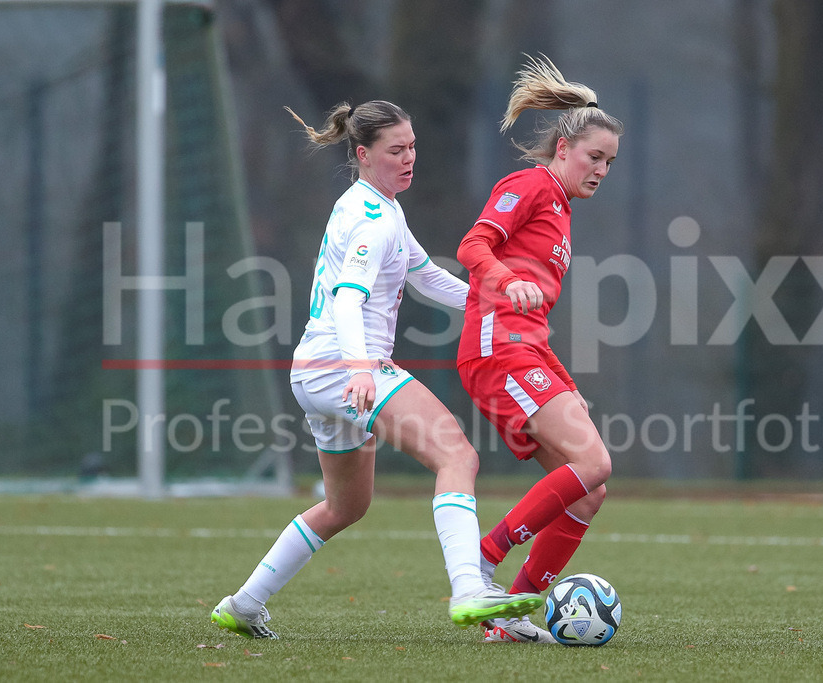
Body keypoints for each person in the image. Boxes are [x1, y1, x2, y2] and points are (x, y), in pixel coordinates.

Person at [210, 99, 542, 639]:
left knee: (345, 505)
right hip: (344, 368)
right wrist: (362, 370)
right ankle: (469, 589)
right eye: (395, 150)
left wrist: (492, 302)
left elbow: (425, 275)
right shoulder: (372, 219)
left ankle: (243, 604)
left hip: (316, 370)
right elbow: (347, 299)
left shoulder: (378, 207)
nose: (409, 159)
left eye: (412, 147)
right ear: (363, 155)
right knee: (457, 455)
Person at [456, 55, 623, 644]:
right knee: (595, 462)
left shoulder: (561, 207)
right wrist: (506, 280)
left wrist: (565, 382)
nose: (601, 170)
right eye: (593, 157)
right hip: (497, 349)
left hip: (526, 349)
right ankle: (482, 564)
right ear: (562, 146)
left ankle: (508, 620)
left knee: (590, 492)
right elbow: (473, 245)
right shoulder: (530, 185)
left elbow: (534, 319)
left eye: (609, 162)